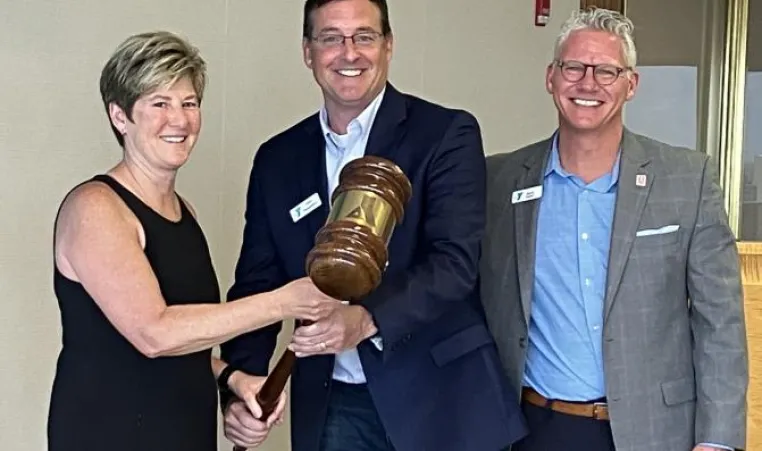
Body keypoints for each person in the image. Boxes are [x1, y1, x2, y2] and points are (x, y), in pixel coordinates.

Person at [220, 0, 527, 450]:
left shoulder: (445, 134)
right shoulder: (277, 160)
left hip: (441, 401)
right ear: (308, 51)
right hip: (334, 407)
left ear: (388, 46)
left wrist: (366, 319)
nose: (349, 53)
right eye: (331, 38)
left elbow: (454, 263)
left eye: (364, 36)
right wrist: (240, 386)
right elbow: (257, 285)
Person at [47, 31, 340, 451]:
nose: (179, 120)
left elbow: (187, 342)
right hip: (109, 434)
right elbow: (155, 333)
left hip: (183, 432)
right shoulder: (95, 208)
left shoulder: (185, 213)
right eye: (159, 104)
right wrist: (284, 301)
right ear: (120, 116)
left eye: (189, 103)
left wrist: (232, 379)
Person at [480, 7, 748, 451]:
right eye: (574, 67)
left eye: (607, 70)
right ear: (551, 77)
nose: (588, 83)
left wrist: (718, 441)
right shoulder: (499, 182)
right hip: (531, 428)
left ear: (631, 84)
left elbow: (719, 323)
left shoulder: (687, 179)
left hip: (653, 433)